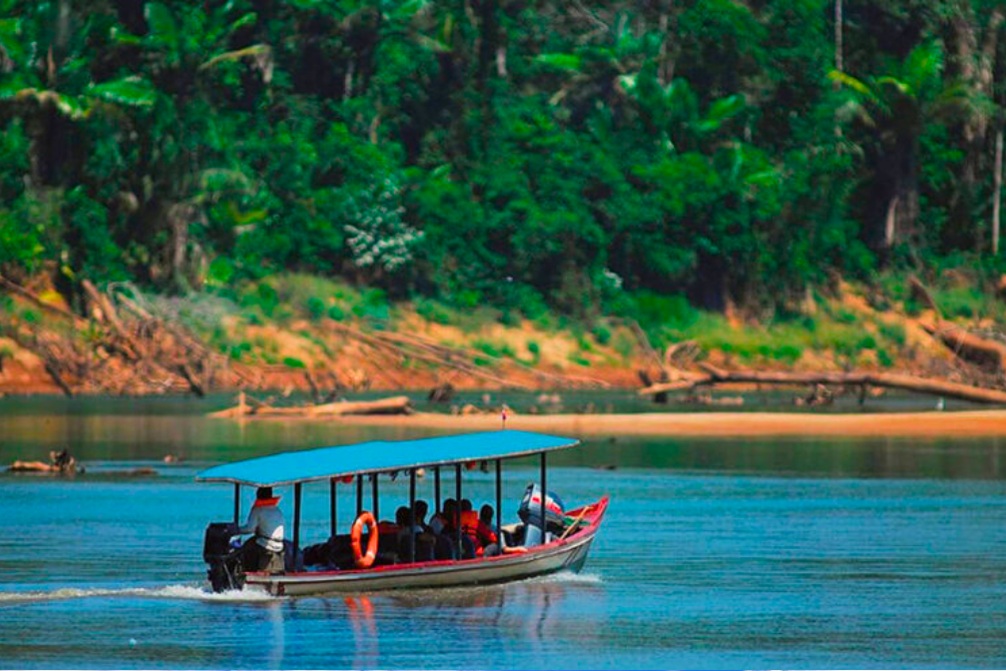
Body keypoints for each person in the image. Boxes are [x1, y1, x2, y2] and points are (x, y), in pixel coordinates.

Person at [238, 486, 285, 574]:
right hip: (280, 544)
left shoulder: (258, 509)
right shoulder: (277, 510)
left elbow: (249, 529)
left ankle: (247, 571)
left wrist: (237, 529)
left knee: (246, 547)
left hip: (266, 544)